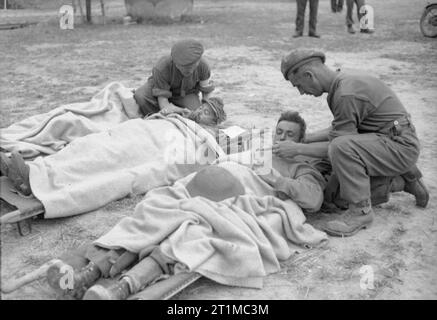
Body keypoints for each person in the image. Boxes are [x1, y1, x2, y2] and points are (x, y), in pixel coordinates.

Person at [44, 110, 327, 300]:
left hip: (235, 199)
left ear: (301, 140)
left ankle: (121, 288)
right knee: (151, 217)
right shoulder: (258, 144)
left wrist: (277, 180)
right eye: (280, 132)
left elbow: (313, 198)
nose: (282, 139)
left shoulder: (301, 165)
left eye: (291, 135)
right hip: (194, 187)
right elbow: (223, 134)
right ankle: (88, 273)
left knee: (187, 236)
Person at [278, 49, 429, 237]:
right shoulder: (344, 82)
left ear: (309, 75)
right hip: (390, 140)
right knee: (335, 178)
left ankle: (361, 211)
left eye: (299, 85)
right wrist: (306, 138)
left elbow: (338, 145)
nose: (301, 92)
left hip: (399, 147)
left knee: (336, 194)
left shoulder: (345, 94)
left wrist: (297, 149)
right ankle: (405, 176)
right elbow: (341, 130)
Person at [0, 97, 226, 199]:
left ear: (214, 121)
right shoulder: (185, 116)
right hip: (139, 131)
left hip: (155, 143)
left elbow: (208, 154)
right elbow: (153, 118)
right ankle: (35, 170)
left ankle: (33, 181)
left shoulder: (208, 135)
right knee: (89, 145)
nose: (200, 112)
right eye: (202, 108)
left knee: (106, 158)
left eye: (207, 113)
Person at [133, 39, 215, 117]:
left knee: (197, 114)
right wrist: (176, 110)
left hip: (186, 93)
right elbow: (163, 101)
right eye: (183, 67)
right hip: (158, 89)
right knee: (141, 96)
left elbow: (206, 92)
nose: (187, 70)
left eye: (191, 67)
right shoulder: (162, 67)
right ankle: (156, 117)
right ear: (174, 62)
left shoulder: (204, 66)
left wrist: (208, 108)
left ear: (198, 61)